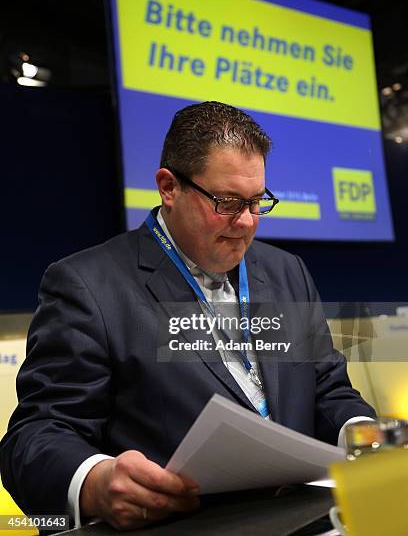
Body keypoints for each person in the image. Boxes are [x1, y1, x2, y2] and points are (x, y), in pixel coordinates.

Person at [1, 101, 376, 530]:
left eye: (258, 202)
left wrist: (364, 436)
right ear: (168, 187)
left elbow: (327, 388)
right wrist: (95, 481)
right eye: (229, 202)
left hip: (309, 518)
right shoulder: (87, 285)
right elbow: (36, 435)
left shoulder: (287, 271)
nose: (248, 223)